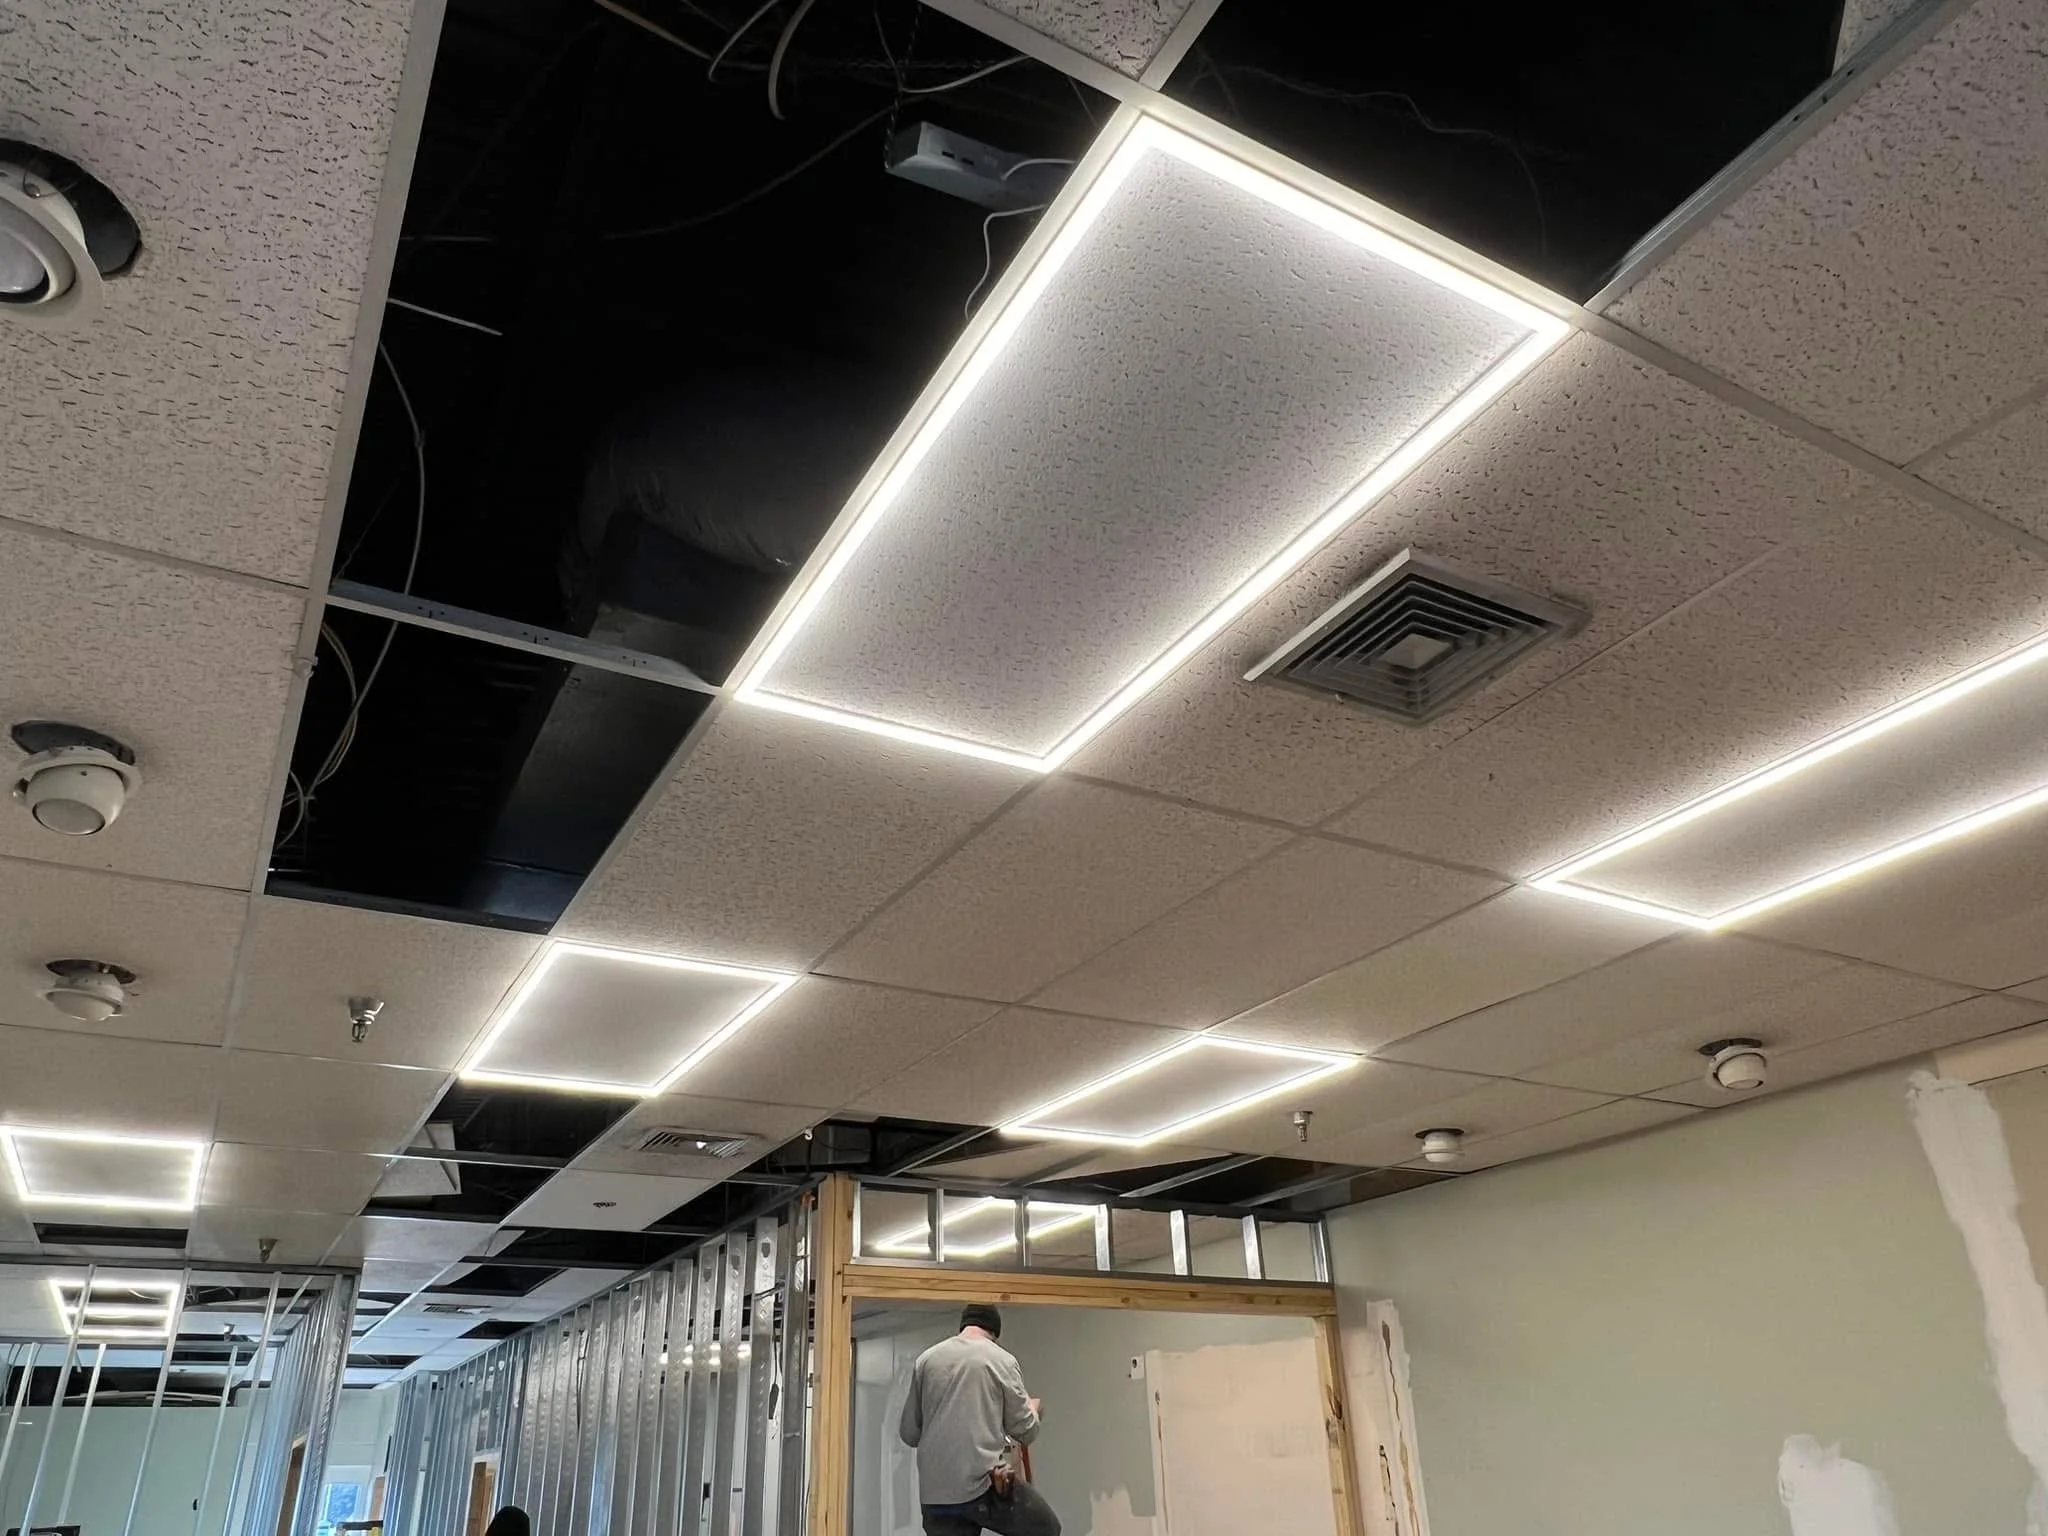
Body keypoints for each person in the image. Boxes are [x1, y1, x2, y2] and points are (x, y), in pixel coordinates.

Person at [898, 1304, 1060, 1536]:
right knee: (1046, 1528)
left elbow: (909, 1434)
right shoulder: (1001, 1360)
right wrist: (1034, 1409)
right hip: (982, 1487)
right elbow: (1025, 1431)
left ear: (963, 1326)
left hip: (935, 1497)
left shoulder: (926, 1360)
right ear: (994, 1333)